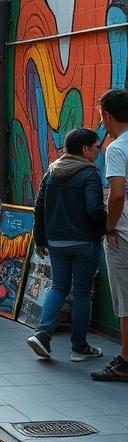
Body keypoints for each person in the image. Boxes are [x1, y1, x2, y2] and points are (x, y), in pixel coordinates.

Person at [28, 127, 105, 362]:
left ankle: (42, 334)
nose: (98, 152)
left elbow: (39, 208)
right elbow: (94, 209)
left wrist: (40, 239)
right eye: (96, 147)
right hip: (83, 241)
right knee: (82, 293)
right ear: (85, 150)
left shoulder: (52, 171)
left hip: (56, 242)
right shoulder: (89, 174)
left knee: (58, 287)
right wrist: (106, 224)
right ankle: (79, 348)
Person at [96, 89, 128, 381]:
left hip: (124, 232)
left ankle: (125, 360)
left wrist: (108, 226)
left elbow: (117, 194)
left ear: (107, 116)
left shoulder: (117, 149)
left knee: (124, 297)